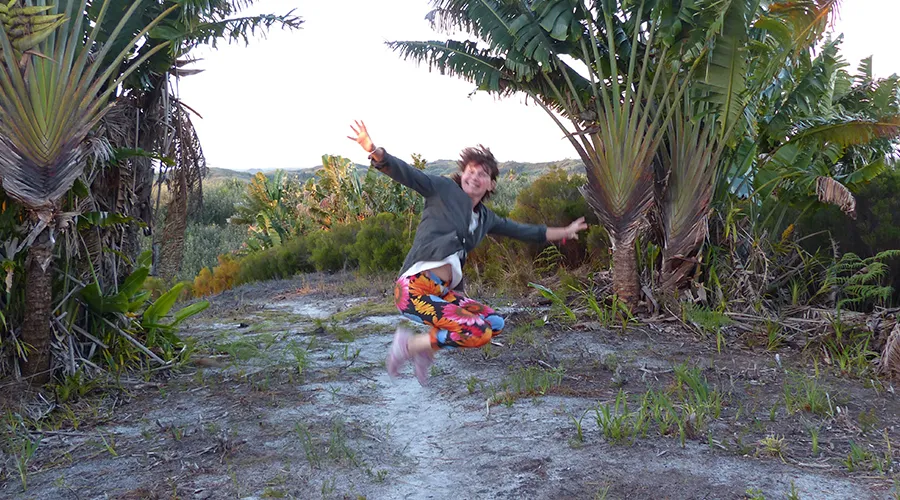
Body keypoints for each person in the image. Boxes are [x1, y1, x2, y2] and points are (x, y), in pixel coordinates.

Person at [348, 120, 588, 386]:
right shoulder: (442, 190)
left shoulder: (485, 218)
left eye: (482, 174)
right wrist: (374, 150)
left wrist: (565, 231)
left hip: (442, 292)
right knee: (477, 331)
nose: (474, 177)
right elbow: (408, 174)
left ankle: (426, 348)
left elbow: (525, 231)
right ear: (462, 174)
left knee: (494, 323)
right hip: (414, 289)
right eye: (470, 171)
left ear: (491, 185)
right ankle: (409, 345)